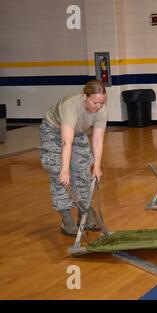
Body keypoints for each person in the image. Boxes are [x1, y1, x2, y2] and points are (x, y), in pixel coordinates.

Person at [40, 80, 108, 236]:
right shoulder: (70, 106)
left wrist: (97, 165)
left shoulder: (101, 110)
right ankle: (66, 219)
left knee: (83, 170)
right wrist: (64, 169)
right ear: (85, 97)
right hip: (53, 132)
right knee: (60, 174)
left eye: (102, 103)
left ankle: (85, 213)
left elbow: (97, 140)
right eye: (95, 102)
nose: (98, 106)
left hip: (77, 132)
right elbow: (66, 142)